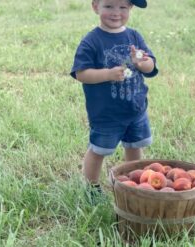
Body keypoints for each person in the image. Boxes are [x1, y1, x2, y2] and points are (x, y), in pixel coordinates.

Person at [70, 0, 158, 204]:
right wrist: (107, 74)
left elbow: (151, 65)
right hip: (106, 113)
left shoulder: (134, 36)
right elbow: (81, 73)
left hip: (136, 109)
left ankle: (134, 183)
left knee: (135, 146)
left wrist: (142, 62)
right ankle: (92, 187)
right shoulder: (92, 40)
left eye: (123, 7)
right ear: (95, 6)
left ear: (130, 9)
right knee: (99, 150)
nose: (116, 12)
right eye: (109, 6)